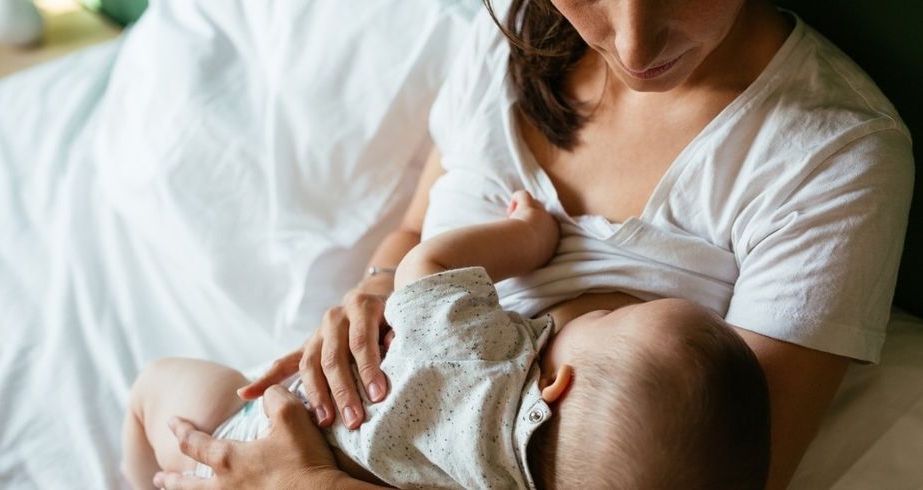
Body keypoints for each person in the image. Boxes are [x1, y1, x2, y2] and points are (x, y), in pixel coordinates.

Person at [153, 0, 914, 487]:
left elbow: (721, 477)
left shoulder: (834, 157)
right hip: (317, 424)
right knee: (167, 397)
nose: (634, 40)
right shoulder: (512, 40)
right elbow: (416, 232)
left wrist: (310, 485)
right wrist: (378, 287)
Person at [126, 192, 770, 489]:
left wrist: (526, 238)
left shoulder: (487, 355)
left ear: (555, 383)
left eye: (611, 320)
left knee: (156, 389)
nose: (607, 307)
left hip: (250, 438)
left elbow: (422, 269)